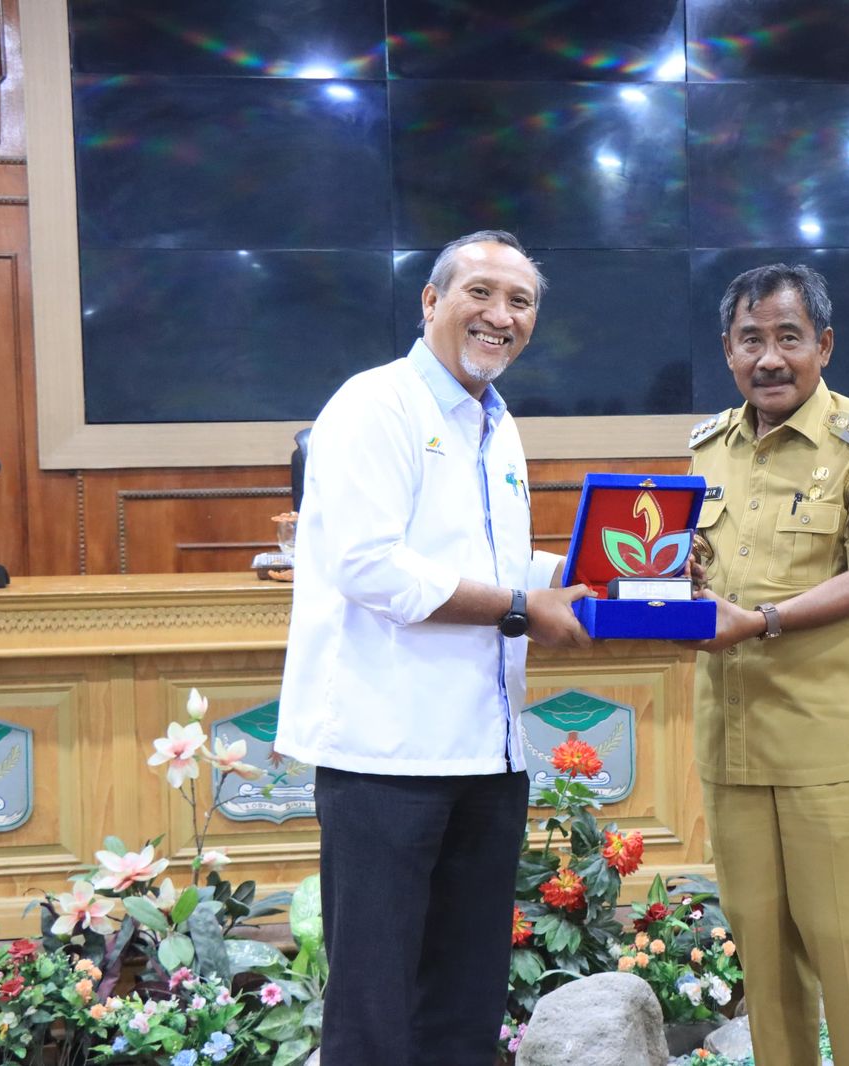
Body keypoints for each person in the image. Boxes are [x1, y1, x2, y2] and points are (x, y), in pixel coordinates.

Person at [276, 230, 592, 1066]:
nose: (500, 316)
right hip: (386, 757)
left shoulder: (497, 422)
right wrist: (523, 606)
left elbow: (493, 562)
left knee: (464, 1005)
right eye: (479, 293)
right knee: (375, 1011)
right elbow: (370, 566)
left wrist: (599, 573)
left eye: (520, 301)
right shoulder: (374, 405)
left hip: (486, 755)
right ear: (431, 301)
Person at [685, 263, 849, 1066]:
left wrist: (760, 622)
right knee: (765, 962)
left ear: (824, 344)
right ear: (728, 351)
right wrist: (669, 584)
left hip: (832, 749)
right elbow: (694, 570)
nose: (770, 358)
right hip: (735, 746)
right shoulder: (707, 448)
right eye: (750, 340)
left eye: (789, 337)